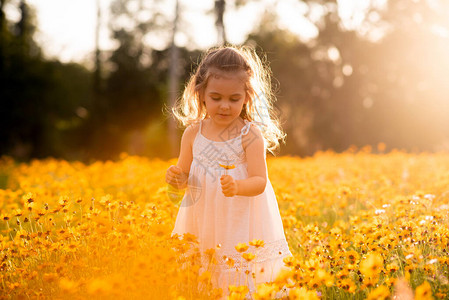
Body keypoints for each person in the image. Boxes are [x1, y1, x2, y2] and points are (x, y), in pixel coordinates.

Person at [166, 45, 292, 299]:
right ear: (200, 93)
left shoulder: (249, 135)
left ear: (247, 96)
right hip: (202, 218)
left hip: (240, 219)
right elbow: (183, 178)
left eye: (234, 99)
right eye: (216, 97)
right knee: (202, 272)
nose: (225, 106)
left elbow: (260, 181)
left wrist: (238, 187)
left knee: (240, 273)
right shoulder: (193, 133)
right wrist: (175, 178)